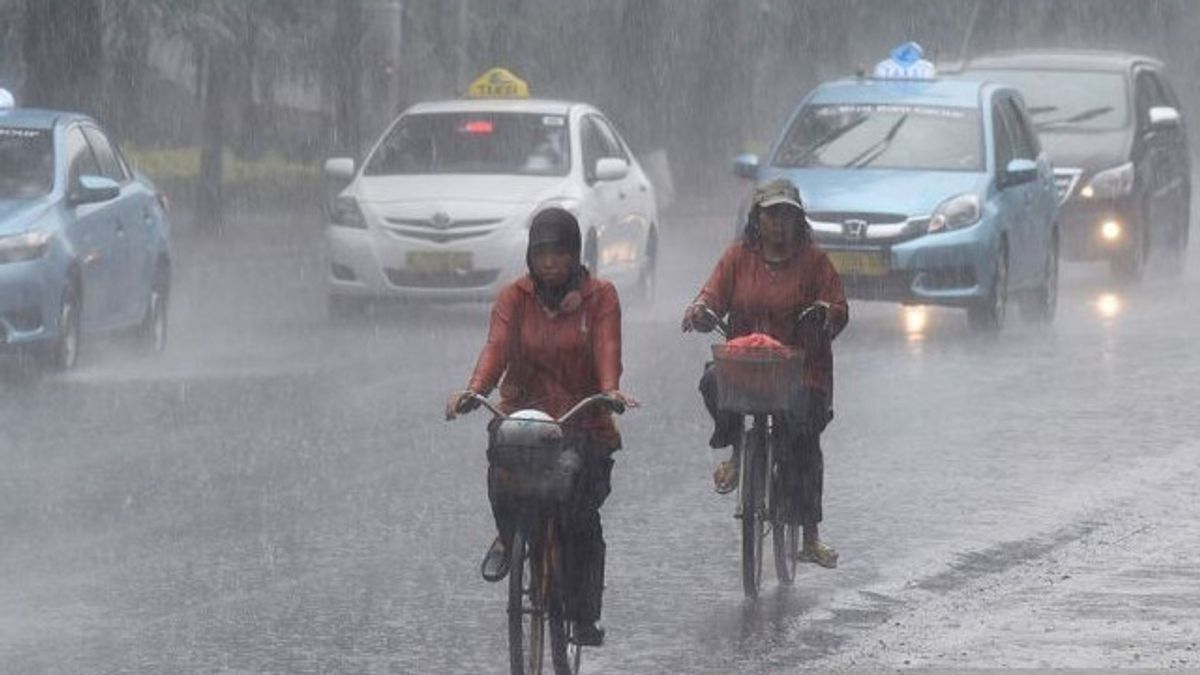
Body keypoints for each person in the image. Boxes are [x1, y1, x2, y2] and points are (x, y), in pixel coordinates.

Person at [445, 207, 638, 647]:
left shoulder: (601, 297)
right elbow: (495, 348)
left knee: (580, 519)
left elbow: (608, 349)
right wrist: (474, 390)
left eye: (558, 253)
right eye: (541, 253)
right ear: (530, 257)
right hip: (524, 416)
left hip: (583, 421)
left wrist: (611, 390)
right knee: (501, 467)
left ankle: (584, 616)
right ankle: (508, 536)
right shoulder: (514, 297)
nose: (549, 262)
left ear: (575, 254)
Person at [681, 178, 848, 569]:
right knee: (710, 381)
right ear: (757, 219)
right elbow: (711, 297)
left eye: (787, 215)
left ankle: (810, 536)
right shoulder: (737, 258)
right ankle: (738, 455)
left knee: (802, 439)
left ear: (798, 221)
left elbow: (838, 307)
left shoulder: (815, 262)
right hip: (746, 367)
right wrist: (700, 311)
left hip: (801, 373)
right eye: (771, 214)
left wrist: (826, 314)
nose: (779, 223)